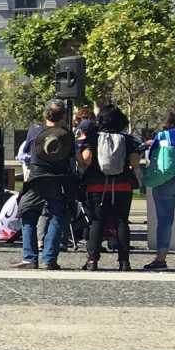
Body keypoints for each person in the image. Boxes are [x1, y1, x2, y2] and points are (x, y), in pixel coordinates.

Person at [14, 100, 76, 270]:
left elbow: (26, 153)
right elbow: (72, 158)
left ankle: (30, 257)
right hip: (58, 179)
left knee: (28, 215)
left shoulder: (34, 131)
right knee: (57, 217)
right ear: (64, 115)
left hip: (36, 178)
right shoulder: (67, 134)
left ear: (45, 114)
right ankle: (49, 258)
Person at [80, 103, 140, 271]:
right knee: (121, 222)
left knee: (96, 222)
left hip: (97, 186)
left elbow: (86, 159)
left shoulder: (92, 138)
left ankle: (92, 260)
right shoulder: (127, 139)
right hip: (122, 186)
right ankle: (124, 261)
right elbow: (134, 161)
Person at [140, 105, 175, 271]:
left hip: (166, 181)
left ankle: (161, 258)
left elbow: (152, 156)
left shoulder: (164, 135)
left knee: (165, 221)